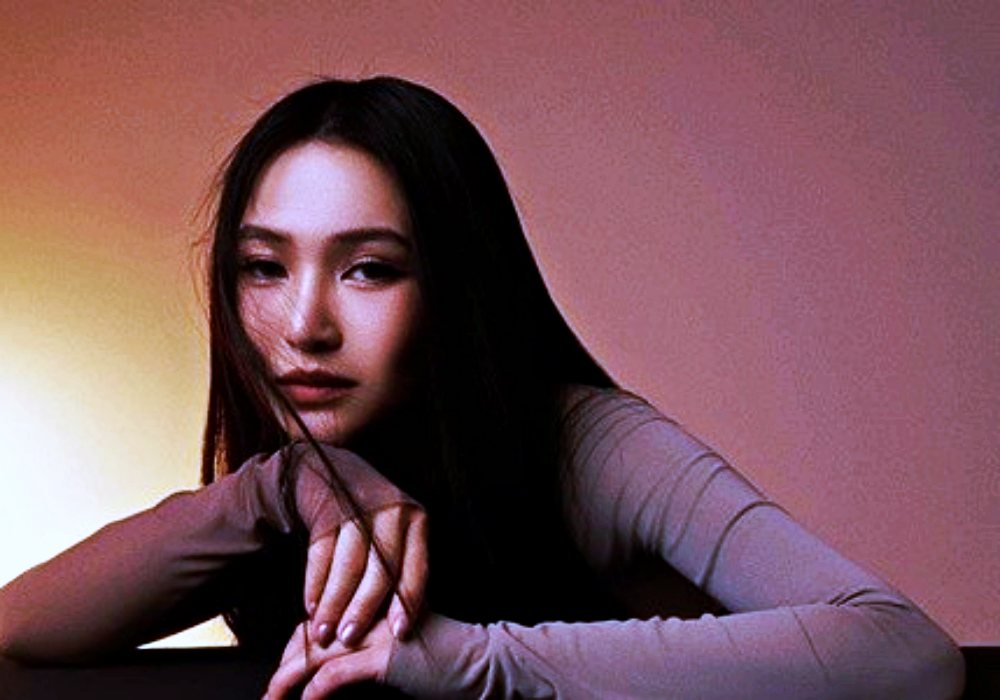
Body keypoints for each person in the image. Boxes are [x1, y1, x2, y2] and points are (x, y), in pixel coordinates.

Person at [0, 76, 965, 699]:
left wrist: (477, 662)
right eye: (263, 268)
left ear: (456, 284)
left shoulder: (592, 445)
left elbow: (904, 651)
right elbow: (19, 631)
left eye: (369, 269)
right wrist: (284, 484)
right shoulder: (300, 491)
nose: (303, 325)